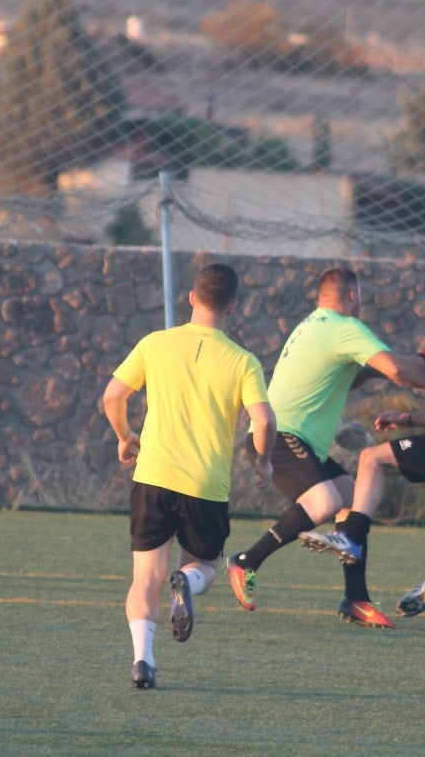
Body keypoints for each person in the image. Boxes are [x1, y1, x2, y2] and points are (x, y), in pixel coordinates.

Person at [224, 267, 425, 627]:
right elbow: (397, 371)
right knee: (325, 501)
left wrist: (388, 367)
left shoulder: (312, 324)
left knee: (355, 501)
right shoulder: (344, 327)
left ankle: (356, 599)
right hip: (281, 438)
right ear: (353, 296)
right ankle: (247, 561)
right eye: (359, 295)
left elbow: (349, 376)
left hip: (286, 438)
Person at [102, 263, 277, 691]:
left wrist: (125, 436)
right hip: (205, 486)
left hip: (153, 476)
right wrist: (263, 461)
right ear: (233, 306)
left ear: (192, 298)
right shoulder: (243, 361)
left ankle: (143, 661)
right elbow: (264, 421)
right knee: (207, 567)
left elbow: (112, 396)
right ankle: (189, 583)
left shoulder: (155, 343)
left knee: (146, 576)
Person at [315, 283, 425, 621]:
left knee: (371, 459)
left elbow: (409, 367)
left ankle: (352, 534)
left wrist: (366, 368)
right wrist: (408, 418)